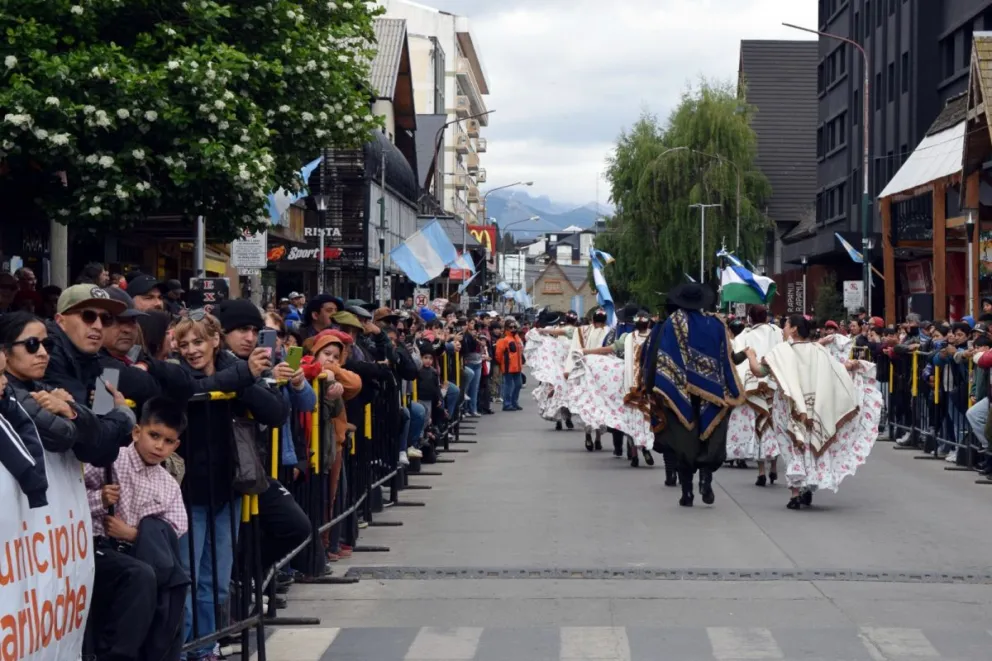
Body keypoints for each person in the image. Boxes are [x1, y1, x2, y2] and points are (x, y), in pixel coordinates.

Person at [84, 397, 190, 661]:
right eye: (154, 435)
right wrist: (100, 500)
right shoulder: (111, 459)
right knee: (141, 577)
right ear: (136, 431)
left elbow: (176, 527)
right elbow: (70, 498)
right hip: (98, 549)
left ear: (176, 445)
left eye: (168, 441)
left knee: (171, 583)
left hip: (139, 554)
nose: (159, 446)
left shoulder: (168, 484)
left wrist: (134, 534)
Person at [745, 314, 881, 509]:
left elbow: (759, 371)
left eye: (786, 325)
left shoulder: (780, 352)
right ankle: (807, 487)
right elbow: (835, 370)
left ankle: (795, 492)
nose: (783, 328)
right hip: (813, 406)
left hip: (788, 406)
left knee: (793, 446)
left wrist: (750, 356)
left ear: (793, 329)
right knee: (809, 444)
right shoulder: (818, 351)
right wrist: (851, 366)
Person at [641, 283, 742, 507]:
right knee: (711, 437)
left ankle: (687, 492)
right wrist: (729, 389)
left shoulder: (671, 323)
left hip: (677, 391)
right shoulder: (716, 324)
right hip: (713, 393)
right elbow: (726, 358)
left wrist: (651, 389)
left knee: (683, 441)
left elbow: (656, 356)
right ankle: (706, 478)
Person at [1, 311, 127, 468]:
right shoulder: (8, 393)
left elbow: (98, 449)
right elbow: (63, 437)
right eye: (32, 344)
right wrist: (122, 416)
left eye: (47, 345)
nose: (43, 353)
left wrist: (69, 408)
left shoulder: (43, 388)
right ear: (4, 351)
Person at [725, 305, 783, 486]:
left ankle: (761, 472)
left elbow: (735, 358)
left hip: (753, 385)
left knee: (759, 425)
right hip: (775, 383)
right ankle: (773, 466)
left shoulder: (745, 336)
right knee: (774, 425)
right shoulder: (777, 332)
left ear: (749, 318)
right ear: (766, 317)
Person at [567, 308, 615, 450]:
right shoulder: (610, 331)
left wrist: (568, 369)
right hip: (602, 373)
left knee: (589, 404)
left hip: (589, 371)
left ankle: (591, 436)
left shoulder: (582, 331)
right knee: (599, 405)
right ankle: (595, 436)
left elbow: (574, 350)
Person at [494, 319, 525, 412]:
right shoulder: (503, 340)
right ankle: (507, 404)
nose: (513, 329)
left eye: (514, 327)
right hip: (508, 366)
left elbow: (520, 351)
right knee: (508, 385)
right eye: (511, 327)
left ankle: (514, 402)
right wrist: (503, 363)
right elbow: (498, 355)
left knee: (518, 385)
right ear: (507, 328)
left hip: (517, 366)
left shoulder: (516, 338)